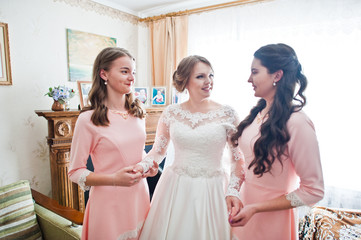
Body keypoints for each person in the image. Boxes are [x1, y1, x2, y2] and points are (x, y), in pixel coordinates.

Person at [135, 55, 245, 240]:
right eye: (200, 76)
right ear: (185, 80)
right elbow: (158, 151)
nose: (208, 81)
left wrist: (233, 191)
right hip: (176, 188)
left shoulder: (228, 114)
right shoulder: (171, 112)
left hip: (213, 189)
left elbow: (238, 159)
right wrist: (142, 166)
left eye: (211, 75)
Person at [229, 43, 324, 240]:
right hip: (244, 214)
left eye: (255, 72)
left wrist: (256, 208)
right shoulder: (258, 113)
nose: (249, 79)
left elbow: (313, 190)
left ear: (277, 76)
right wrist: (233, 192)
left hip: (271, 221)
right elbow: (243, 163)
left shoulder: (298, 122)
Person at [68, 47, 158, 240]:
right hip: (108, 205)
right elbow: (74, 172)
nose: (132, 78)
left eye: (133, 72)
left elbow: (138, 151)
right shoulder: (88, 119)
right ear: (104, 74)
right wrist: (115, 179)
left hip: (140, 198)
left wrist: (147, 167)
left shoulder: (138, 113)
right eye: (124, 71)